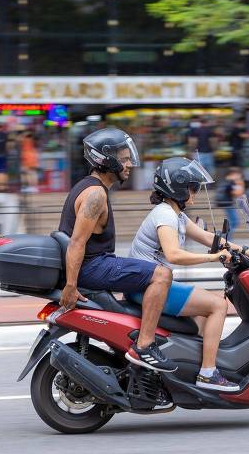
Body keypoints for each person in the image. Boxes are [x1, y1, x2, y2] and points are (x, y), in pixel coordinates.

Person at [128, 157, 249, 391]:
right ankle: (208, 374)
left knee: (203, 314)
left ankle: (192, 368)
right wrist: (215, 257)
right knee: (218, 306)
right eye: (193, 187)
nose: (196, 193)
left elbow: (208, 238)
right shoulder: (165, 215)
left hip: (150, 285)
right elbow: (174, 255)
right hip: (148, 288)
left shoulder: (175, 214)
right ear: (177, 188)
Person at [58, 127, 178, 373]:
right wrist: (71, 286)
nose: (129, 164)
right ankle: (145, 345)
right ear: (106, 160)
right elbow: (77, 242)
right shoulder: (95, 194)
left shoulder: (90, 187)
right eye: (123, 159)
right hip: (92, 268)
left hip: (95, 265)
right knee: (162, 274)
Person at [216, 166, 245, 231]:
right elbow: (237, 193)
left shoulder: (225, 181)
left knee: (233, 222)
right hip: (227, 203)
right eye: (238, 174)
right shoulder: (229, 181)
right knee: (234, 222)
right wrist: (241, 184)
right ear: (232, 174)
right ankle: (225, 238)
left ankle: (225, 237)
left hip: (225, 203)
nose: (239, 176)